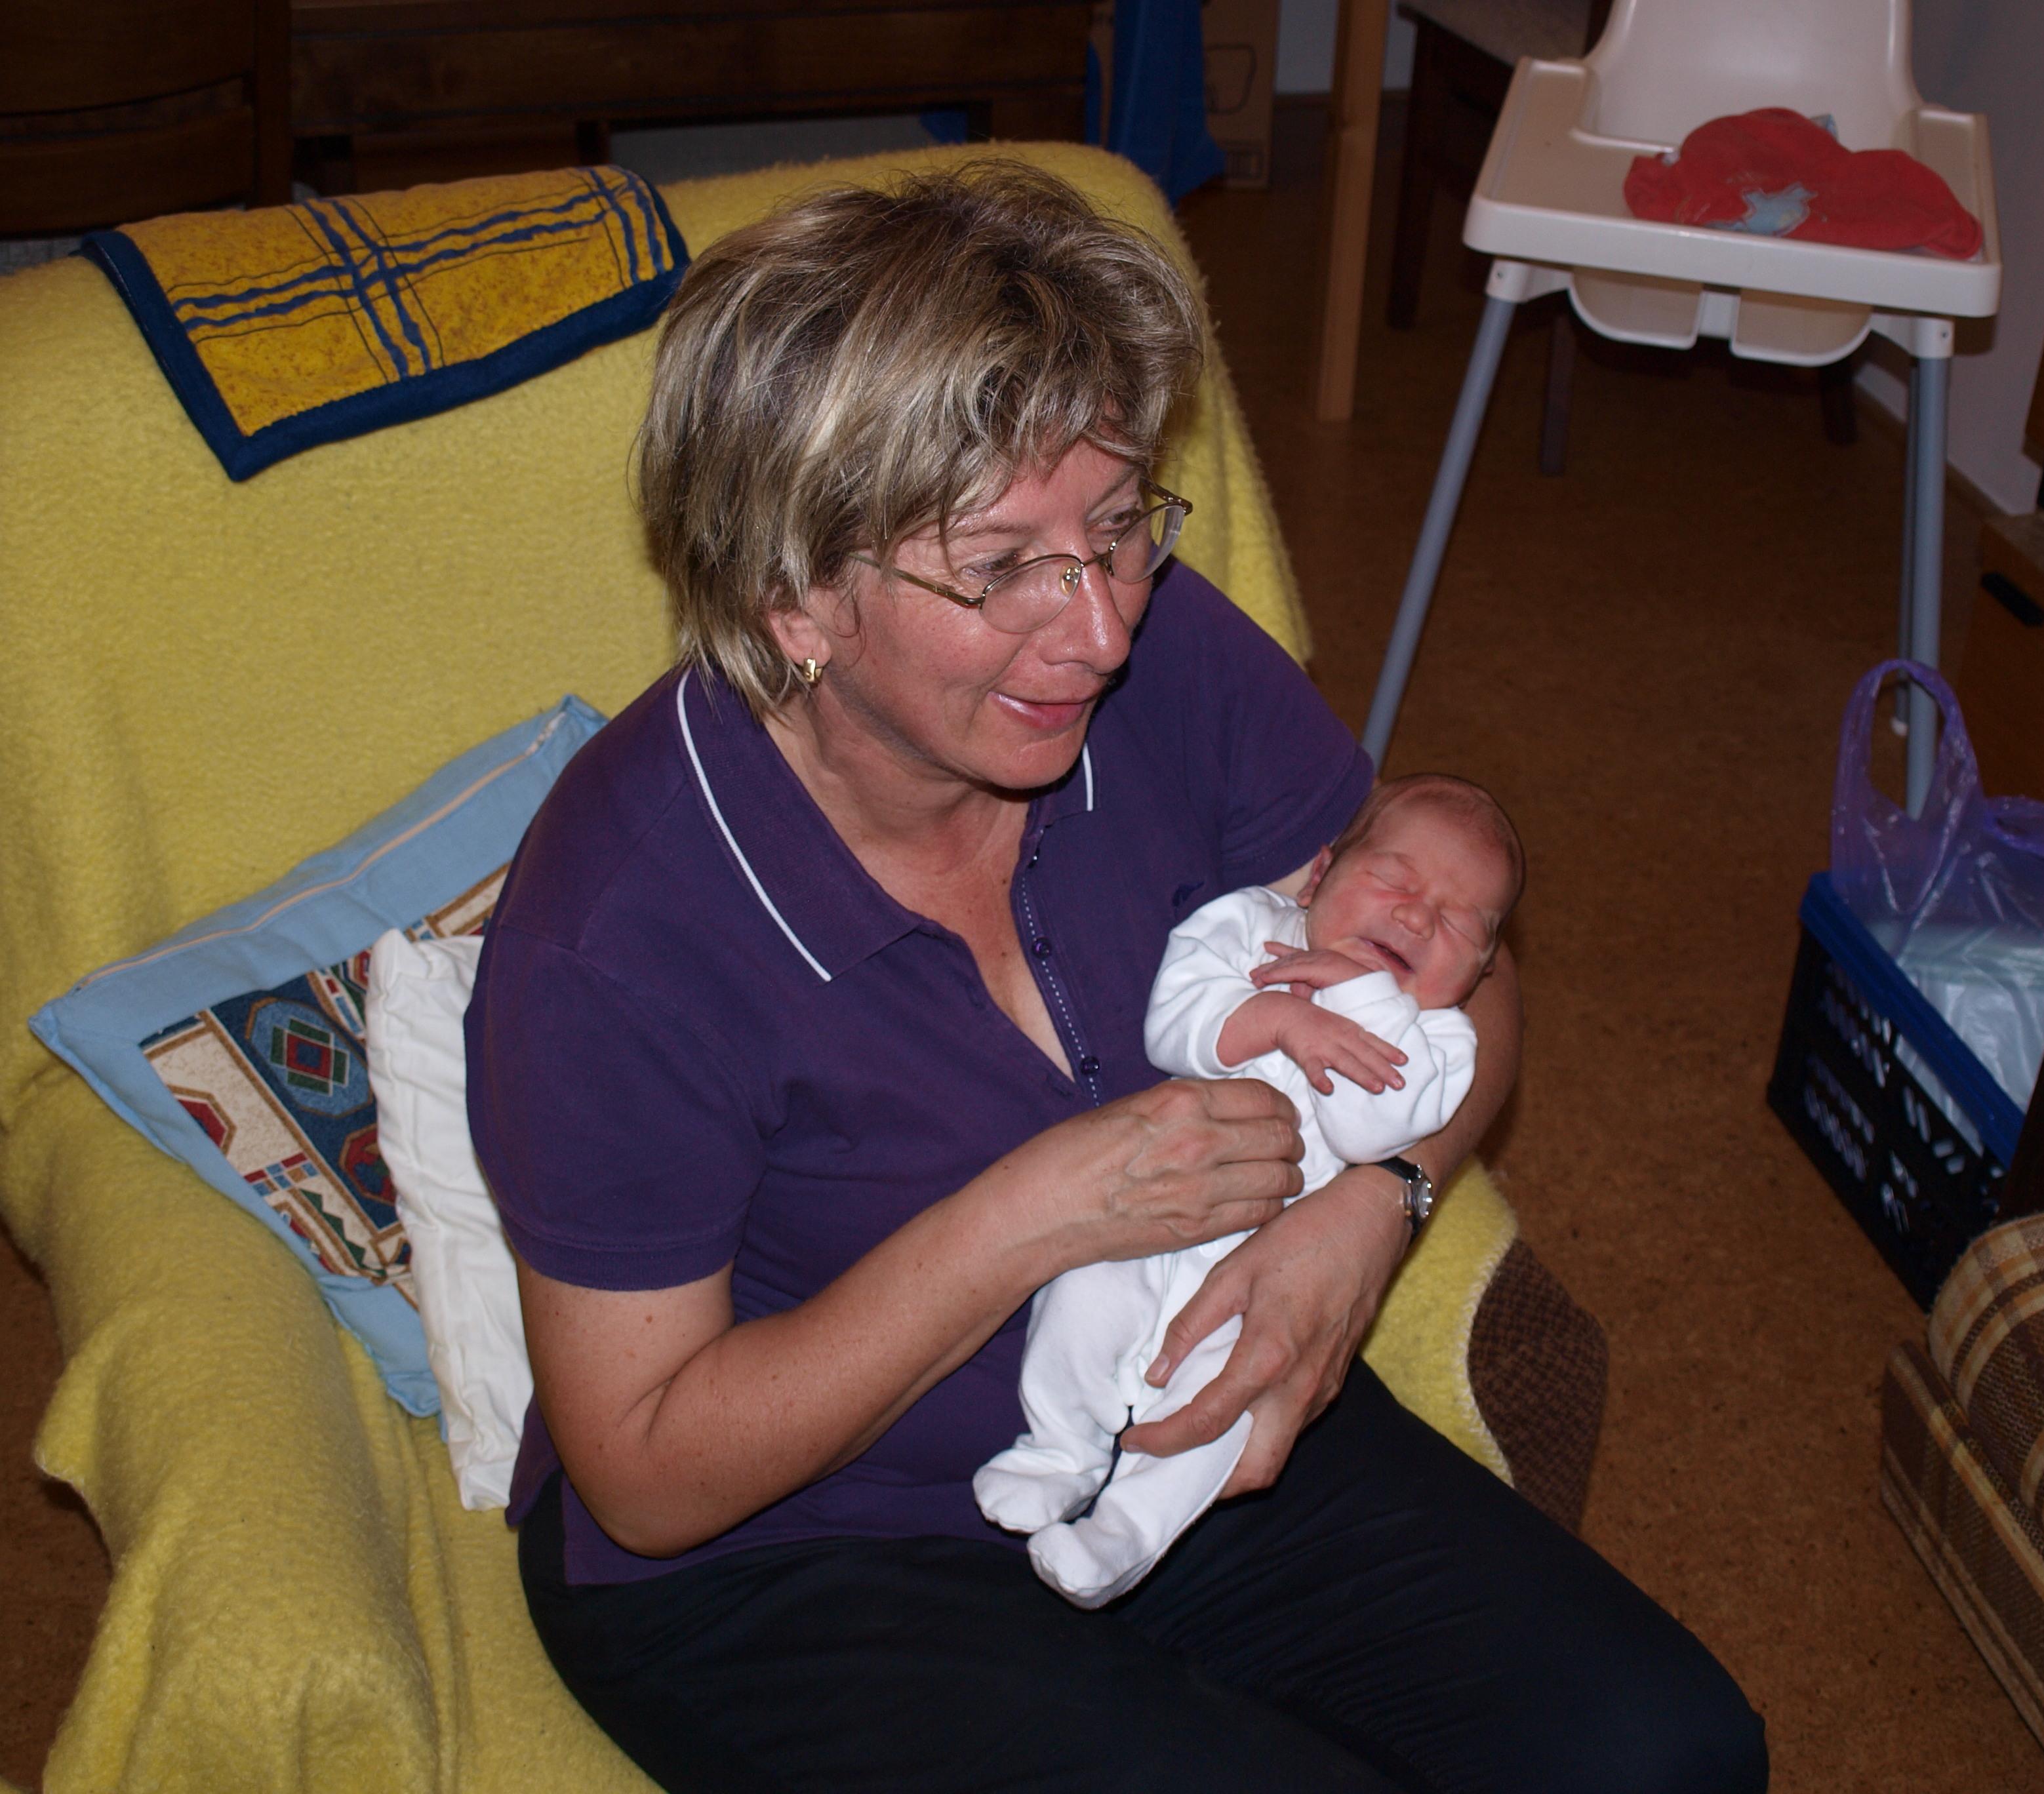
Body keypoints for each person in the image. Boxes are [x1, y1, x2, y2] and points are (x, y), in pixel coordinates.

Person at [465, 159, 1769, 1793]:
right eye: (998, 564)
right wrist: (1036, 1212)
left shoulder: (1163, 658)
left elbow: (1460, 969)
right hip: (799, 1552)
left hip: (1166, 1392)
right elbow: (648, 1473)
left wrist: (1375, 1211)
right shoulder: (616, 933)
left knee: (1667, 1751)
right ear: (792, 594)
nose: (1095, 628)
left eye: (1117, 525)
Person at [977, 774, 1521, 1607]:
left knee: (1228, 1399)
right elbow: (1174, 1023)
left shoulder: (1441, 1041)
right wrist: (1278, 1020)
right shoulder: (1249, 928)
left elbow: (1371, 1132)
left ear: (1480, 972)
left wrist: (1357, 995)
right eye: (1394, 880)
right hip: (1155, 1217)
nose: (1416, 918)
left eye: (1456, 924)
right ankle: (1061, 1451)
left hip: (1271, 1270)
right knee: (1079, 1299)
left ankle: (1128, 1531)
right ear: (1321, 874)